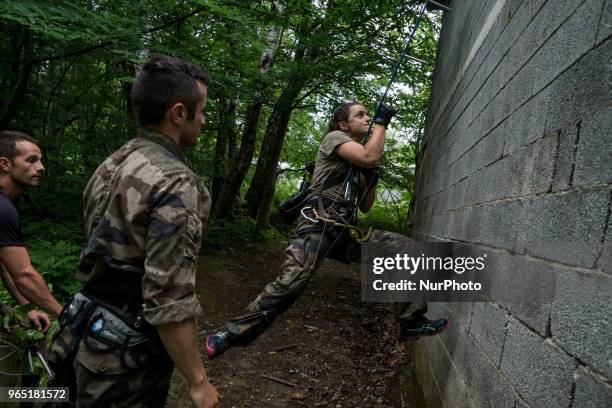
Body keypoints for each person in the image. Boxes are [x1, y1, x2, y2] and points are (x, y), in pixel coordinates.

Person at [206, 101, 448, 359]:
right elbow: (370, 155)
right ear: (344, 124)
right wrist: (381, 123)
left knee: (405, 249)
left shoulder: (358, 163)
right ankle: (229, 334)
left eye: (369, 115)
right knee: (292, 283)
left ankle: (409, 323)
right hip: (316, 225)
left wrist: (371, 176)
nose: (367, 118)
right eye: (361, 115)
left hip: (343, 231)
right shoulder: (334, 138)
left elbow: (366, 206)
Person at [48, 55, 218, 407]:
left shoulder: (114, 161)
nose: (204, 119)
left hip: (80, 329)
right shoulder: (176, 181)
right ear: (178, 113)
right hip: (123, 358)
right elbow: (168, 297)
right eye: (201, 109)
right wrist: (199, 382)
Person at [0, 131, 63, 388]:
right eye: (32, 160)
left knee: (32, 339)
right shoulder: (3, 209)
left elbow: (5, 266)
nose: (41, 167)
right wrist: (67, 316)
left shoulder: (8, 205)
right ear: (5, 164)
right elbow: (24, 275)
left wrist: (28, 307)